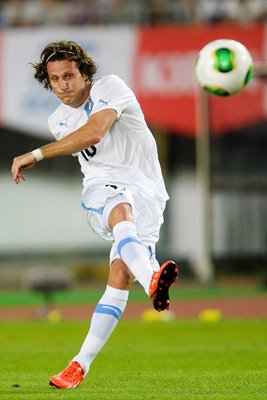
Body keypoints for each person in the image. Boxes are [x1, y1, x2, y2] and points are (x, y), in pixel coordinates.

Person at [11, 40, 178, 389]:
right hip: (102, 189)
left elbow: (96, 131)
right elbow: (85, 145)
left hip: (148, 192)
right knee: (119, 211)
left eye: (69, 75)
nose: (63, 85)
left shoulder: (110, 87)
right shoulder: (58, 120)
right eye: (55, 79)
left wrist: (36, 154)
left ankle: (78, 366)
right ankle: (152, 277)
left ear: (85, 74)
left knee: (119, 272)